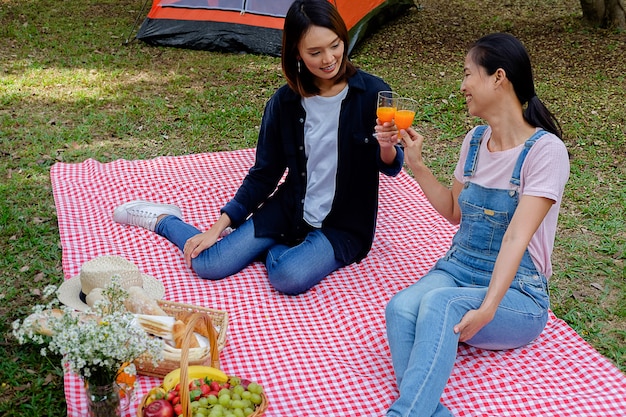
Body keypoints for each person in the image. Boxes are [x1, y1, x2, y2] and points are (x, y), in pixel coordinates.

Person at [113, 0, 404, 295]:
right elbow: (265, 174)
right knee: (209, 264)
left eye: (335, 45)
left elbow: (390, 165)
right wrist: (218, 229)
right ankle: (164, 220)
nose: (329, 58)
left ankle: (268, 249)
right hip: (291, 209)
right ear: (297, 53)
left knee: (289, 276)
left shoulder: (373, 94)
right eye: (315, 52)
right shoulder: (285, 103)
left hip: (343, 224)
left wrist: (387, 145)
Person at [376, 33, 570, 416]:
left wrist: (487, 308)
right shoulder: (476, 139)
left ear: (498, 77)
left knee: (440, 303)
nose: (462, 86)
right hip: (458, 268)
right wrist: (415, 162)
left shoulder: (547, 152)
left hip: (518, 295)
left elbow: (516, 237)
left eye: (468, 74)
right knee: (400, 308)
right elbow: (453, 211)